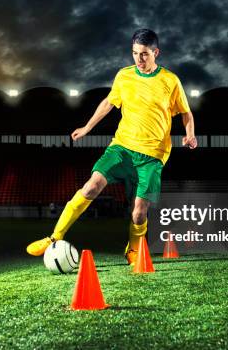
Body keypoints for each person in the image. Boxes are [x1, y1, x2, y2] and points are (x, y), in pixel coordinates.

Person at [26, 29, 197, 265]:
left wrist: (190, 135)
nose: (139, 59)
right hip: (122, 147)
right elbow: (108, 103)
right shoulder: (124, 76)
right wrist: (87, 128)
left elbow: (186, 113)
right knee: (90, 187)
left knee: (139, 212)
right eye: (135, 53)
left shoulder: (170, 80)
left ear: (156, 53)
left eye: (145, 54)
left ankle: (135, 248)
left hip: (152, 155)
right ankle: (54, 237)